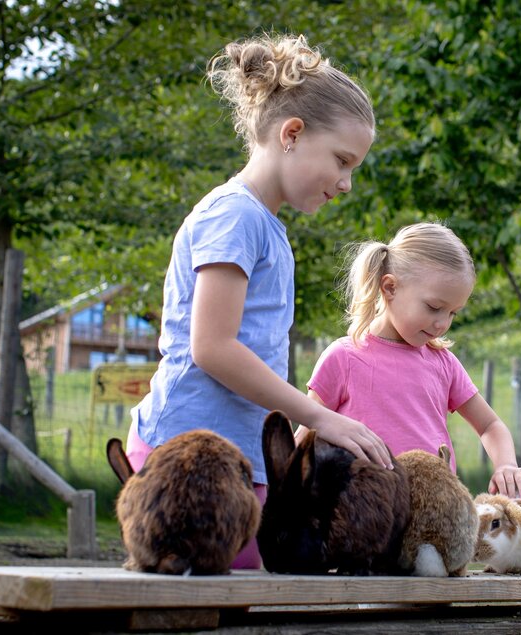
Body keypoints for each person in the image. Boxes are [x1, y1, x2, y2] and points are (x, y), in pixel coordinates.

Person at [127, 33, 393, 570]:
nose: (346, 184)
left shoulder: (266, 227)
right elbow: (213, 347)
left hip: (236, 455)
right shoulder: (235, 215)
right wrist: (320, 417)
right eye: (342, 161)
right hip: (188, 457)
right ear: (292, 133)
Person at [305, 222, 521, 498]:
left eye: (453, 313)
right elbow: (304, 439)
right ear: (389, 287)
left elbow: (490, 425)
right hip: (364, 518)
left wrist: (506, 464)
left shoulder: (443, 363)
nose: (442, 324)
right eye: (434, 308)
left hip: (434, 513)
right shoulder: (343, 358)